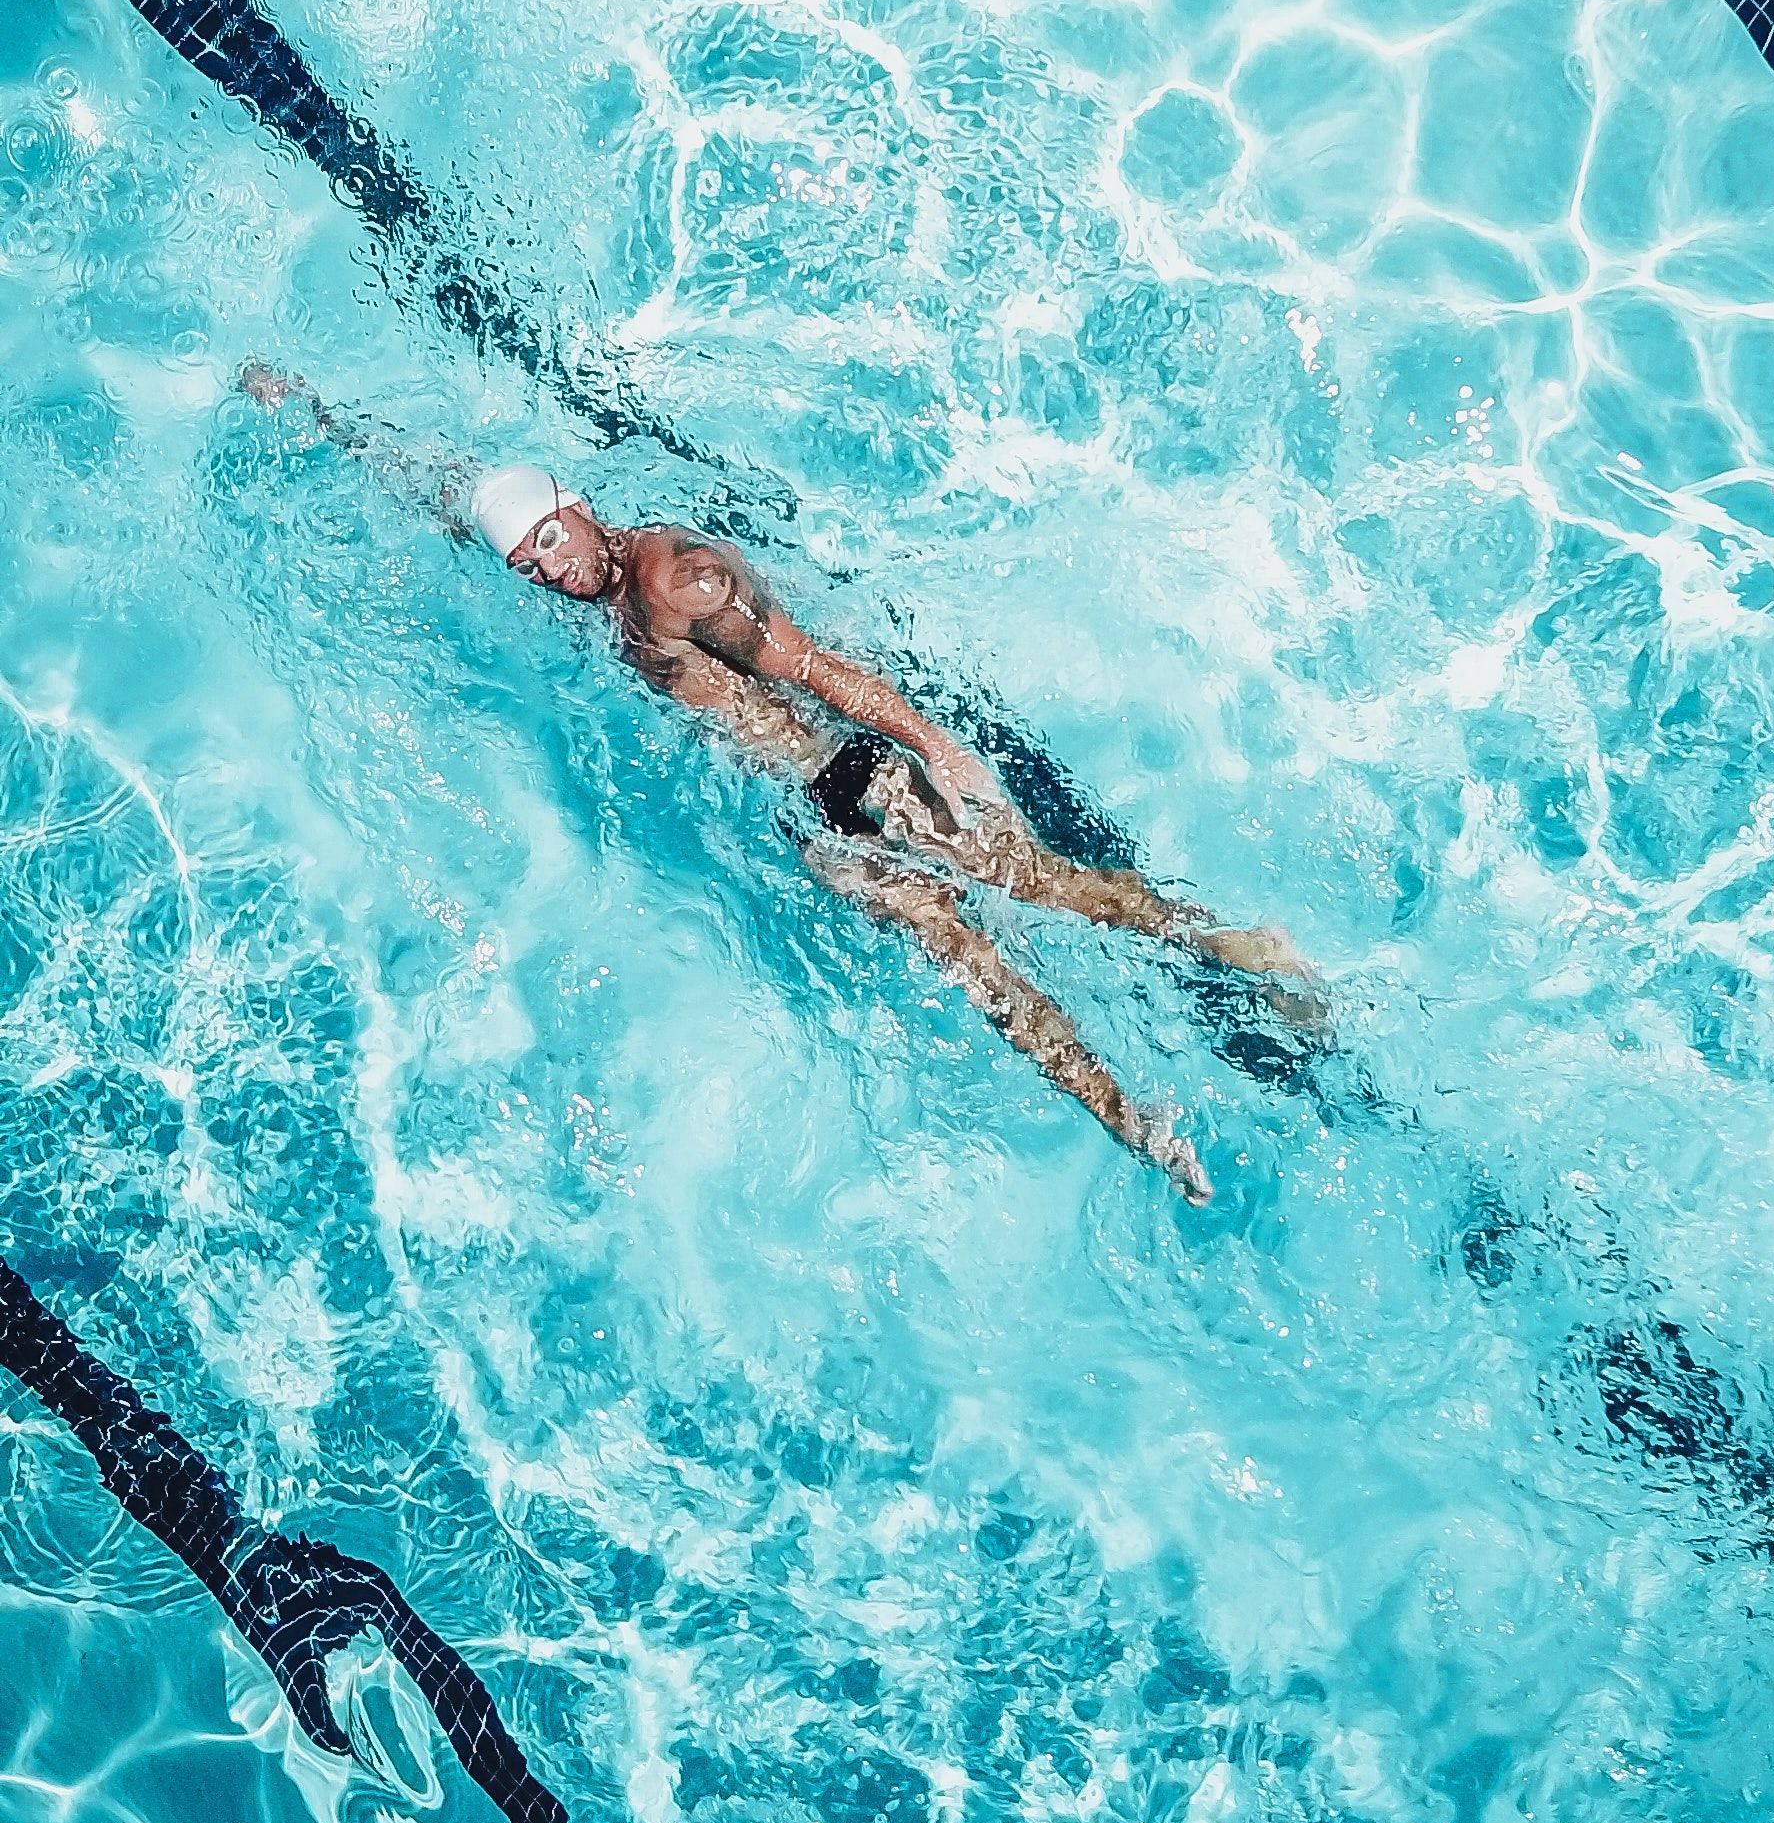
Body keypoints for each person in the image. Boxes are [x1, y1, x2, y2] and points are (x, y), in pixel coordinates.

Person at [243, 374, 1321, 1203]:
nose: (542, 565)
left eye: (547, 537)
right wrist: (326, 422)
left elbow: (811, 668)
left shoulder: (676, 581)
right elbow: (448, 502)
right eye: (523, 559)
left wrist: (935, 749)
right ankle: (1130, 1119)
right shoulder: (589, 582)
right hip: (818, 822)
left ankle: (1241, 944)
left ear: (577, 503)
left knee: (1053, 890)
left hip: (860, 777)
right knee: (982, 981)